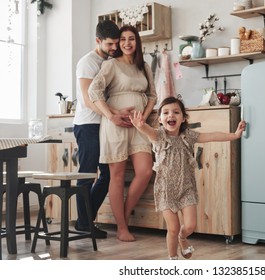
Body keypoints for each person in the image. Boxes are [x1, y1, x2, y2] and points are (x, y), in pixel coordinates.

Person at [129, 97, 246, 259]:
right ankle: (173, 259)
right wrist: (141, 126)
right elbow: (147, 130)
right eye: (166, 113)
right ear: (161, 119)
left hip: (186, 188)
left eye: (176, 112)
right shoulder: (158, 136)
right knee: (173, 228)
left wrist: (235, 135)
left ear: (183, 118)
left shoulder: (188, 136)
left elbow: (212, 136)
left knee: (190, 226)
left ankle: (182, 238)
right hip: (165, 190)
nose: (171, 115)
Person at [88, 25, 157, 242]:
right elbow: (93, 91)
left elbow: (152, 95)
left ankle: (123, 219)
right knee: (116, 176)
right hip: (115, 124)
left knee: (145, 171)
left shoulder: (144, 67)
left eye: (132, 39)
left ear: (137, 42)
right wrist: (111, 115)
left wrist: (143, 118)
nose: (127, 43)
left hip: (139, 125)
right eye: (123, 39)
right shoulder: (111, 65)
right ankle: (121, 228)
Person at [73, 20, 134, 239]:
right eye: (109, 44)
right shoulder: (87, 62)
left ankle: (84, 219)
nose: (113, 48)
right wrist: (113, 114)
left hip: (104, 124)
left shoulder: (110, 60)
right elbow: (90, 100)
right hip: (88, 123)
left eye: (116, 43)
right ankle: (84, 222)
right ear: (98, 40)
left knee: (107, 174)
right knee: (88, 173)